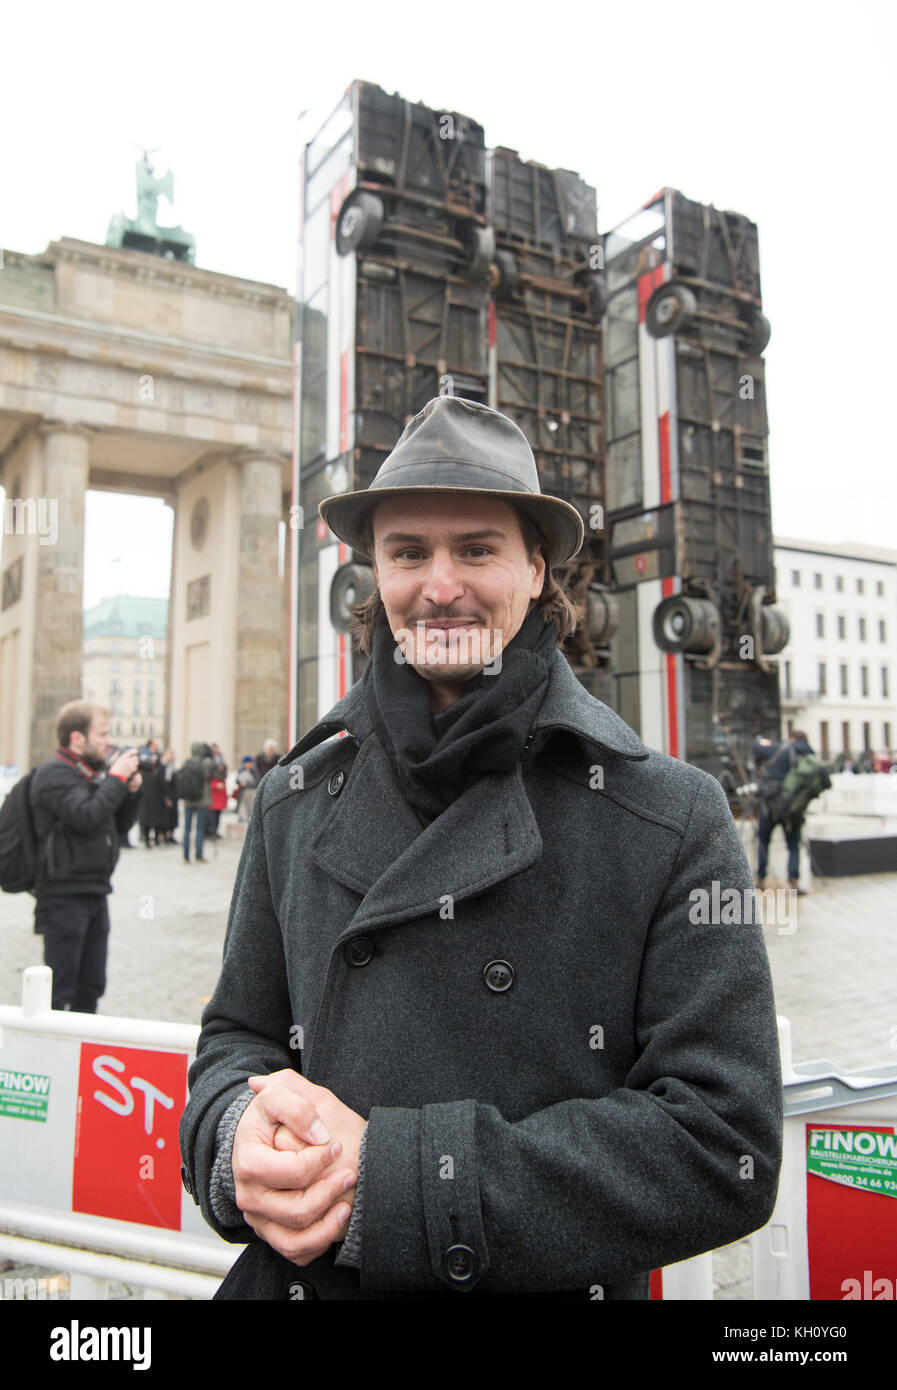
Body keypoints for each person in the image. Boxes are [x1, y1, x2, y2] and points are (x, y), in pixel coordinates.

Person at [180, 396, 782, 1300]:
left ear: (537, 570)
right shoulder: (292, 801)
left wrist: (402, 1180)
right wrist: (232, 1140)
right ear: (374, 576)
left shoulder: (668, 815)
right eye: (408, 552)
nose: (439, 584)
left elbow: (719, 1144)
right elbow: (237, 1038)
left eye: (476, 549)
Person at [29, 701, 142, 1012]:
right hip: (63, 895)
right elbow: (88, 816)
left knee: (90, 987)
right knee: (60, 991)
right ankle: (51, 1057)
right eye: (102, 734)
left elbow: (117, 825)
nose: (108, 741)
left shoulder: (91, 775)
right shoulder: (54, 774)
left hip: (94, 890)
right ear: (77, 738)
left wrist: (129, 792)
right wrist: (116, 780)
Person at [756, 729, 814, 894]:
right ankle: (794, 883)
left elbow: (756, 747)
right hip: (792, 807)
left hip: (770, 804)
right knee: (793, 846)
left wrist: (761, 739)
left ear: (792, 738)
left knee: (763, 841)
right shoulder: (808, 753)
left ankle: (761, 879)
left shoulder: (781, 748)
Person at [181, 741, 214, 864]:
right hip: (203, 799)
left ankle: (185, 856)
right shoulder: (207, 763)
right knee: (200, 829)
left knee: (187, 829)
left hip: (188, 800)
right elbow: (213, 775)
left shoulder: (187, 762)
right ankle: (198, 856)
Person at [159, 747, 179, 843]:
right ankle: (163, 834)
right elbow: (162, 783)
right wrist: (166, 797)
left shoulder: (174, 767)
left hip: (174, 795)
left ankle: (170, 834)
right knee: (165, 817)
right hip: (165, 795)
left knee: (172, 817)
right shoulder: (162, 767)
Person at [234, 756, 259, 823]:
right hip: (243, 791)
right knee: (243, 806)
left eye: (249, 763)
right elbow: (237, 780)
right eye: (246, 763)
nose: (248, 765)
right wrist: (240, 782)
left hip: (251, 791)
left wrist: (246, 784)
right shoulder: (241, 770)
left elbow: (257, 782)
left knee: (251, 806)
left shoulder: (254, 771)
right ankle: (243, 818)